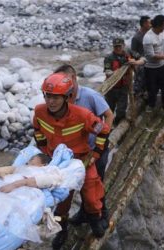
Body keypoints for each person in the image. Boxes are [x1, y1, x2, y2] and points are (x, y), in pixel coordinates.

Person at [33, 73, 110, 249]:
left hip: (82, 161)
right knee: (61, 203)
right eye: (48, 96)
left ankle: (95, 218)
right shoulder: (39, 112)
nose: (51, 101)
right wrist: (44, 150)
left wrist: (96, 154)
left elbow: (103, 130)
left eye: (55, 97)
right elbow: (37, 130)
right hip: (58, 165)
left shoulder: (82, 115)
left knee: (91, 194)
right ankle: (62, 229)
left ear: (67, 97)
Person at [53, 64, 113, 228]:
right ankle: (78, 217)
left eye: (64, 80)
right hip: (73, 153)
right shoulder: (60, 98)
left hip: (95, 149)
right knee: (70, 188)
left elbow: (108, 115)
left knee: (96, 183)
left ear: (73, 79)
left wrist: (102, 140)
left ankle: (102, 215)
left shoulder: (90, 96)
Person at [104, 38, 145, 125]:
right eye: (116, 47)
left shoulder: (129, 53)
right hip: (111, 88)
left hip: (124, 87)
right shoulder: (109, 57)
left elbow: (143, 59)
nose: (118, 48)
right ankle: (108, 127)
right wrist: (116, 73)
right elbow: (107, 71)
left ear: (123, 45)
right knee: (109, 110)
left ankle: (117, 123)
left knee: (121, 110)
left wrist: (136, 62)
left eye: (119, 46)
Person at [131, 15, 152, 95]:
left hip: (150, 62)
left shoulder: (150, 34)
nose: (151, 25)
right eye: (149, 23)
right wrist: (140, 57)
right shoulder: (137, 37)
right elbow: (133, 51)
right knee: (139, 82)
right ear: (144, 24)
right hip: (141, 64)